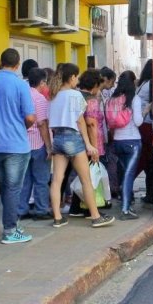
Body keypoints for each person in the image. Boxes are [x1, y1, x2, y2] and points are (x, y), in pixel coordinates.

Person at [0, 48, 35, 244]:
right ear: (18, 65)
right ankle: (10, 230)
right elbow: (29, 117)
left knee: (6, 188)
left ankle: (12, 224)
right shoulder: (20, 85)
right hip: (15, 144)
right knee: (13, 189)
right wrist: (23, 125)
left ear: (1, 62)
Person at [48, 63, 115, 228]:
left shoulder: (53, 95)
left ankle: (57, 217)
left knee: (57, 180)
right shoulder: (75, 95)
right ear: (71, 78)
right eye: (76, 77)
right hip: (73, 137)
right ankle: (95, 216)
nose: (77, 79)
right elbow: (80, 121)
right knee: (86, 180)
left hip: (58, 138)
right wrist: (89, 145)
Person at [68, 68, 109, 218]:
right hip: (91, 143)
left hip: (77, 141)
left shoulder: (76, 96)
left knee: (81, 175)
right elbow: (91, 124)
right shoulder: (91, 101)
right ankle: (89, 208)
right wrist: (95, 148)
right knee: (90, 177)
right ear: (94, 85)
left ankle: (75, 207)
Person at [17, 67, 53, 221]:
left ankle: (22, 209)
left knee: (25, 180)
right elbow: (42, 124)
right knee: (41, 180)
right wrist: (49, 146)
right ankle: (41, 210)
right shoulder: (40, 99)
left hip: (23, 144)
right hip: (38, 144)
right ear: (42, 82)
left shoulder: (21, 96)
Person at [112, 70, 147, 220]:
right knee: (128, 176)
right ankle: (125, 209)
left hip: (117, 141)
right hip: (132, 141)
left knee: (123, 173)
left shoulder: (113, 99)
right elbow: (138, 122)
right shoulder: (135, 99)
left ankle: (125, 203)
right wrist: (146, 111)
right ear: (133, 83)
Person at [135, 60, 153, 205]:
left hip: (142, 126)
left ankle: (151, 194)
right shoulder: (152, 84)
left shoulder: (142, 84)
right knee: (148, 162)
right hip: (148, 126)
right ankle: (151, 194)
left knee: (147, 161)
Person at [99, 67, 119, 198]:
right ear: (106, 79)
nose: (112, 84)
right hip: (97, 136)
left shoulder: (101, 94)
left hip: (101, 135)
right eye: (112, 81)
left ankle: (106, 191)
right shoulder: (95, 95)